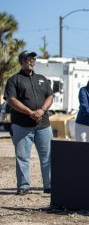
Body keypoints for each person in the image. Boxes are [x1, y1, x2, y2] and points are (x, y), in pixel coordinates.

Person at [4, 51, 53, 195]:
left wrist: (42, 110)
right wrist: (30, 112)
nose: (30, 62)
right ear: (21, 62)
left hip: (43, 125)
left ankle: (49, 185)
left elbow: (50, 96)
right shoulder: (14, 80)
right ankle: (24, 186)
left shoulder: (42, 79)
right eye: (27, 59)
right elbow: (11, 100)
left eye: (32, 59)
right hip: (22, 126)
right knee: (22, 158)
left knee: (47, 157)